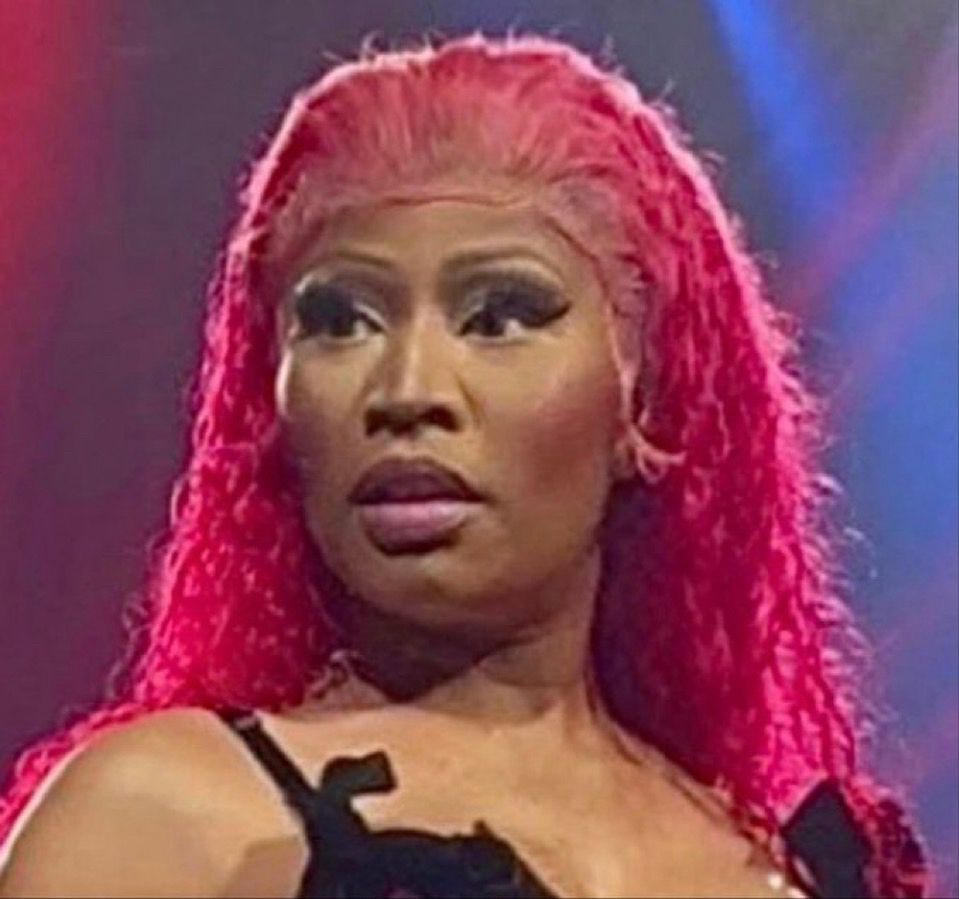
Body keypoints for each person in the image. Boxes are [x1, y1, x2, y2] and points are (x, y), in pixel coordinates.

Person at [0, 31, 930, 898]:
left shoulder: (783, 863)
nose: (406, 390)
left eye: (500, 315)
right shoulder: (162, 824)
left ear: (644, 398)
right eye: (338, 321)